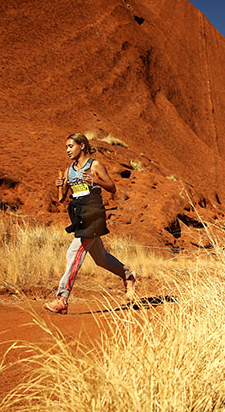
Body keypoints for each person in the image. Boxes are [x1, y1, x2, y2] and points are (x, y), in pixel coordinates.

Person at [44, 133, 136, 315]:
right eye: (66, 147)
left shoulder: (95, 165)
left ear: (82, 146)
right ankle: (128, 276)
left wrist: (95, 180)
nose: (68, 150)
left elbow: (112, 187)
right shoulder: (69, 170)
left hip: (93, 214)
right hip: (79, 215)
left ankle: (62, 298)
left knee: (73, 252)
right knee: (101, 258)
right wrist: (60, 186)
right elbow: (62, 198)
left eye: (71, 146)